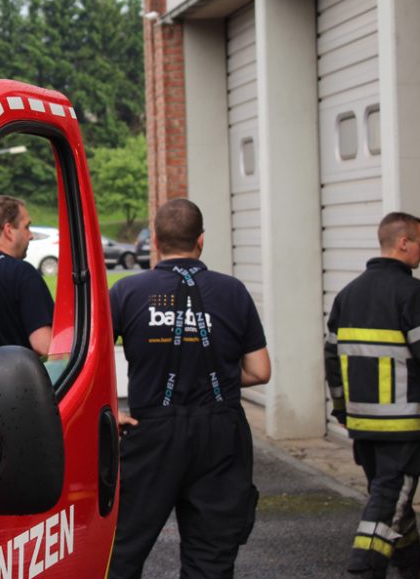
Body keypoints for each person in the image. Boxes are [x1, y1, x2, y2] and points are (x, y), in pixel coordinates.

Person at [108, 198, 270, 579]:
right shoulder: (233, 291)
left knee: (124, 547)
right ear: (201, 240)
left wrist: (112, 411)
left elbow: (89, 361)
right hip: (221, 433)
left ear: (157, 241)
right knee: (211, 556)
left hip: (151, 432)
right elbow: (260, 370)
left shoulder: (128, 291)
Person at [325, 212, 420, 579]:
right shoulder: (415, 292)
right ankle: (363, 569)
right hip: (402, 424)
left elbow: (332, 359)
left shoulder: (347, 295)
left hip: (362, 425)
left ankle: (411, 568)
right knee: (386, 505)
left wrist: (341, 410)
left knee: (395, 502)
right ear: (403, 243)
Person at [0, 195, 54, 355]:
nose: (31, 235)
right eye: (26, 227)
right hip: (18, 378)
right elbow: (44, 345)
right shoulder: (21, 273)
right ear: (8, 231)